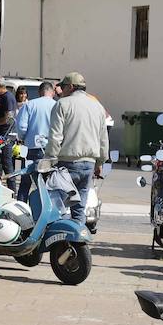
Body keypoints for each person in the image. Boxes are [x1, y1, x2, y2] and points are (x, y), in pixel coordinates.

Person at [45, 72, 109, 225]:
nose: (61, 91)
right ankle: (77, 238)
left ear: (71, 87)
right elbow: (103, 139)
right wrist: (100, 163)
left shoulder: (62, 104)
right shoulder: (97, 106)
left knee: (57, 205)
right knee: (79, 208)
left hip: (67, 163)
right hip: (88, 164)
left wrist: (50, 160)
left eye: (63, 87)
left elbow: (55, 137)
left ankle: (57, 241)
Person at [11, 81, 57, 199]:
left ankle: (21, 208)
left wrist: (23, 138)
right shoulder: (57, 105)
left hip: (31, 148)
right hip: (52, 149)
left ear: (39, 92)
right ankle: (47, 207)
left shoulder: (29, 105)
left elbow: (21, 127)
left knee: (26, 181)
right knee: (48, 182)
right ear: (51, 92)